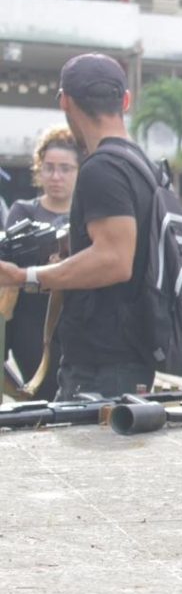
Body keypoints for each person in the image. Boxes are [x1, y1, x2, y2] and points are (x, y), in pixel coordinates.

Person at [0, 53, 158, 398]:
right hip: (128, 356)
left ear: (65, 101)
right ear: (126, 101)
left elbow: (114, 260)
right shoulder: (142, 164)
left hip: (101, 366)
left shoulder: (102, 168)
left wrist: (25, 276)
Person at [4, 127, 80, 399]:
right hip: (31, 323)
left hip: (74, 323)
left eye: (65, 168)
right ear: (39, 169)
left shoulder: (87, 217)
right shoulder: (24, 211)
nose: (56, 176)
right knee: (41, 395)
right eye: (48, 168)